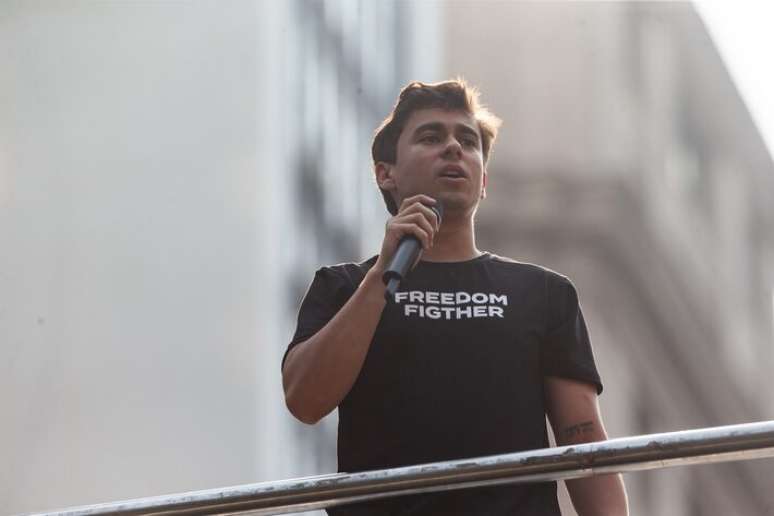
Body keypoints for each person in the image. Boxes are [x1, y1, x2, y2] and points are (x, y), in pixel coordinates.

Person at [281, 79, 629, 515]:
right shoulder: (344, 287)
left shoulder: (544, 294)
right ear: (385, 173)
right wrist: (379, 278)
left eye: (467, 140)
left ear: (483, 179)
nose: (453, 148)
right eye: (431, 137)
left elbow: (582, 438)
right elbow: (305, 400)